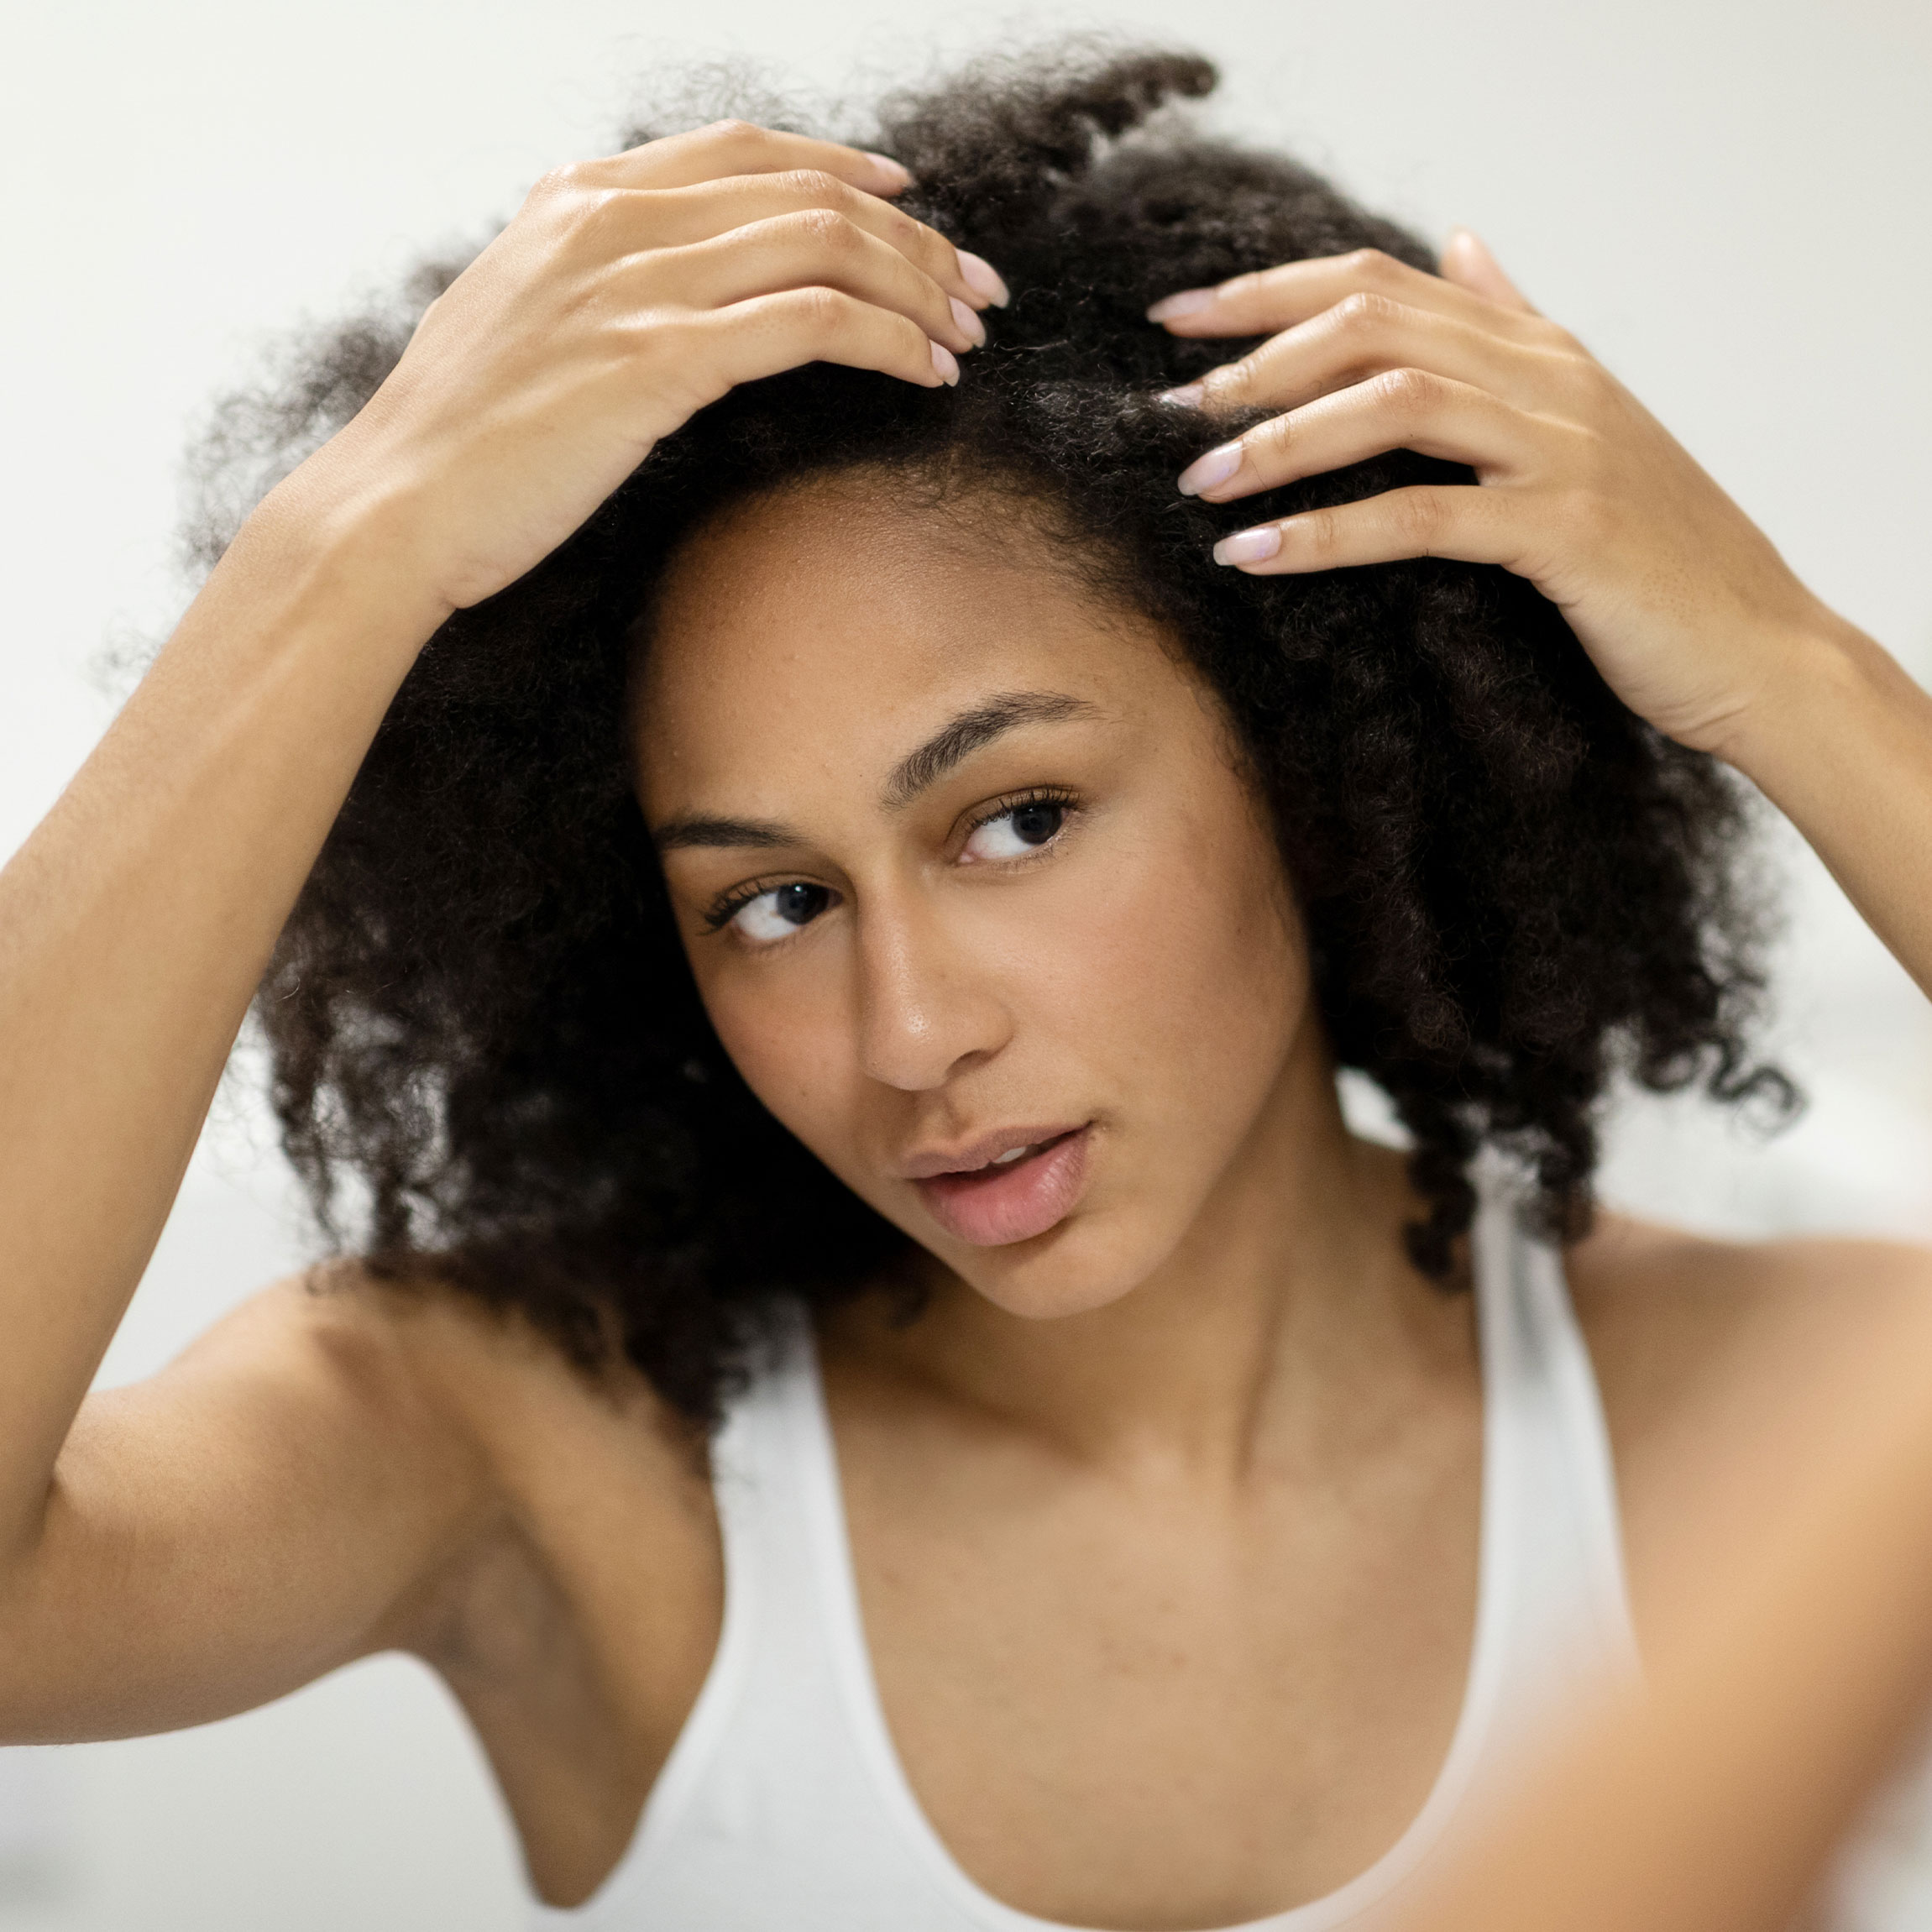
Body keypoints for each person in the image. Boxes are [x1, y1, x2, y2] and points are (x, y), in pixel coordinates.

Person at [1, 42, 1929, 1930]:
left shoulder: (1775, 1411)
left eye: (1013, 820)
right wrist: (341, 555)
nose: (910, 1034)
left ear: (1309, 761)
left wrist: (1793, 670)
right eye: (770, 901)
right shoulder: (544, 1452)